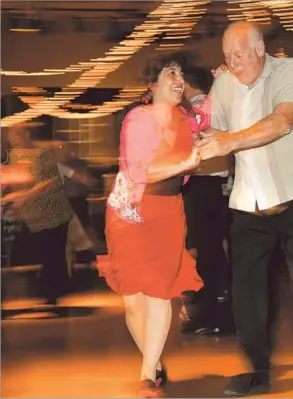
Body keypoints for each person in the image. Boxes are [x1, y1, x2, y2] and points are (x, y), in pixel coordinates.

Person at [197, 21, 293, 396]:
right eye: (226, 56)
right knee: (247, 289)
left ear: (259, 49)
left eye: (238, 54)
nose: (231, 62)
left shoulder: (289, 71)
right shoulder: (224, 84)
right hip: (249, 200)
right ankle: (257, 368)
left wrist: (228, 142)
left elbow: (282, 121)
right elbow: (210, 131)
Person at [96, 53, 205, 398]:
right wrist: (186, 162)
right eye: (171, 72)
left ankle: (147, 375)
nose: (179, 80)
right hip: (130, 212)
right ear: (152, 84)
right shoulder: (136, 118)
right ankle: (153, 360)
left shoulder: (188, 118)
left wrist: (227, 77)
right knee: (133, 300)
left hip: (168, 211)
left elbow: (213, 111)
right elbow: (139, 172)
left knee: (160, 291)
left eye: (182, 73)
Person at [179, 66, 233, 335]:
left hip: (203, 184)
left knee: (207, 251)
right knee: (214, 250)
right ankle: (216, 311)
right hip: (215, 184)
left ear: (187, 83)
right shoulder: (211, 106)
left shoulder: (198, 109)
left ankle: (213, 315)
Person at [2, 125, 74, 306]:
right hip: (32, 218)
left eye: (17, 134)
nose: (14, 139)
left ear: (27, 134)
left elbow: (53, 180)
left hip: (53, 215)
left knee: (51, 256)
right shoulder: (14, 156)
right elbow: (10, 179)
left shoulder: (40, 154)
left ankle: (53, 298)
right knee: (39, 254)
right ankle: (48, 295)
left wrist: (26, 195)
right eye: (11, 135)